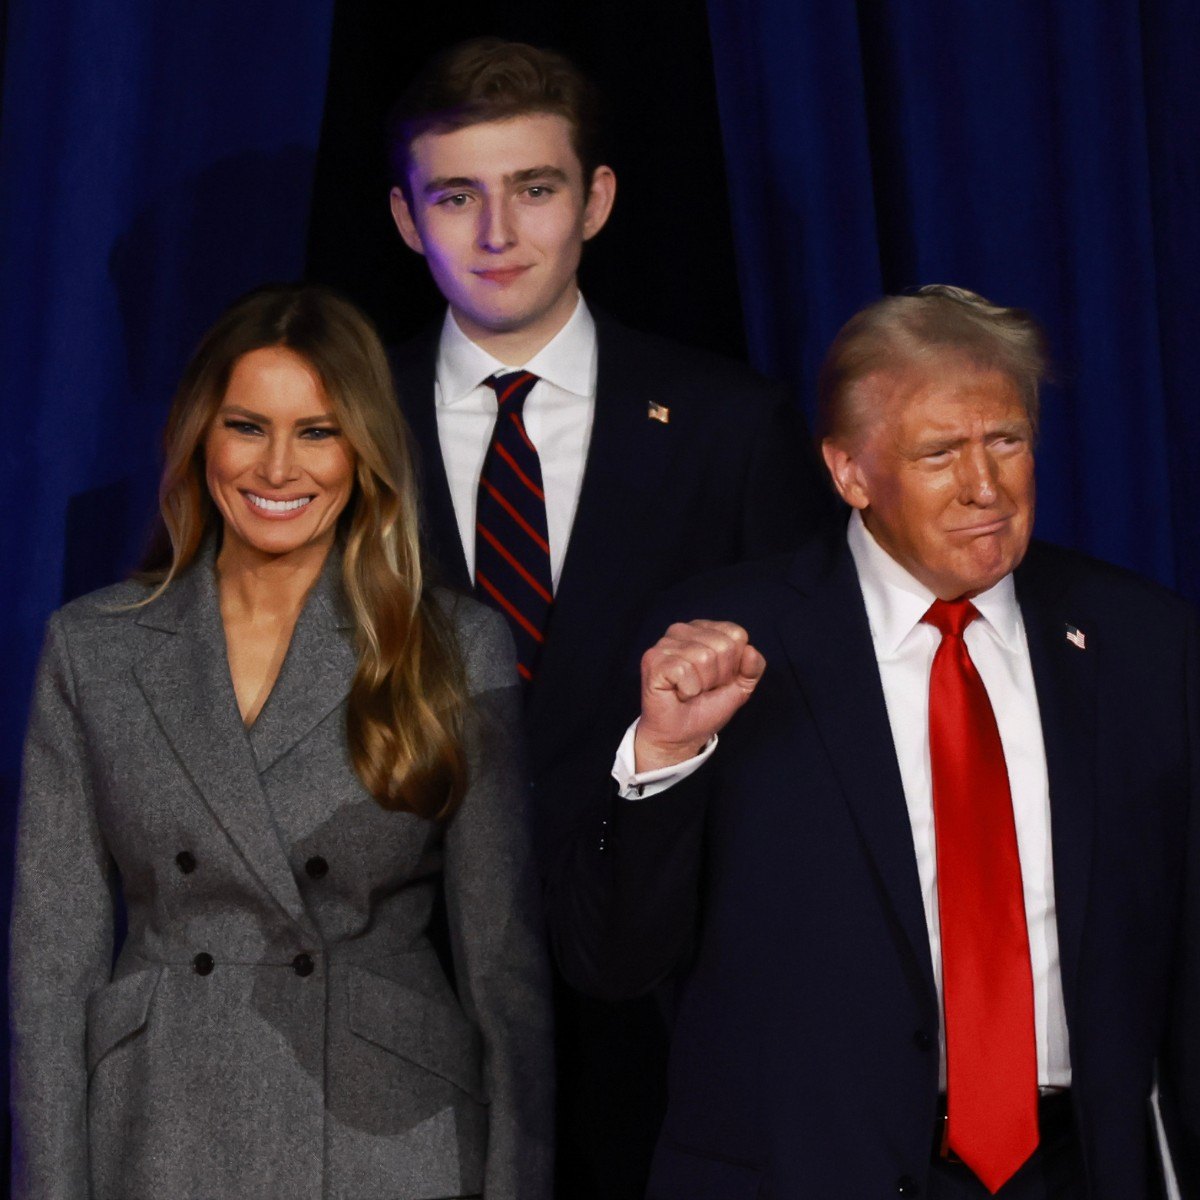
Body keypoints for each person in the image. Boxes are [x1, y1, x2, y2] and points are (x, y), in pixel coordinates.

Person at [550, 286, 1200, 1199]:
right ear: (850, 473)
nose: (986, 486)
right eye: (939, 453)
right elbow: (610, 959)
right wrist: (663, 759)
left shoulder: (1144, 645)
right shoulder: (728, 641)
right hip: (803, 1173)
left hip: (1074, 1171)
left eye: (1006, 441)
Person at [384, 38, 828, 1196]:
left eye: (534, 189)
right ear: (403, 217)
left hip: (667, 1013)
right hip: (394, 1018)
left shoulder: (732, 427)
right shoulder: (336, 429)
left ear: (597, 201)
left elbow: (800, 730)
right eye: (455, 196)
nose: (497, 233)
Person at [10, 284, 553, 1200]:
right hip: (160, 1126)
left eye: (317, 431)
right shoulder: (93, 648)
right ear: (200, 438)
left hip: (391, 1133)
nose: (276, 467)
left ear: (365, 450)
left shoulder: (451, 646)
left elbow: (505, 971)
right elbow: (49, 971)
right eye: (246, 426)